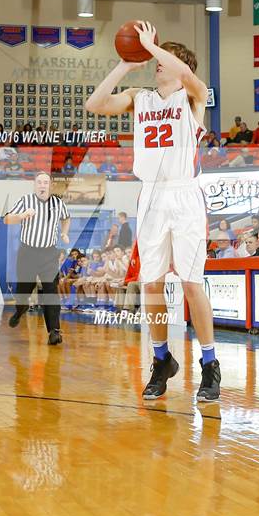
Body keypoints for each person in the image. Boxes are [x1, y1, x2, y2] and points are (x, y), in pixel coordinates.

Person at [86, 21, 221, 401]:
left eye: (167, 58)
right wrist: (126, 64)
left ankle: (210, 365)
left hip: (185, 195)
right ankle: (162, 359)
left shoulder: (193, 96)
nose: (157, 62)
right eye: (157, 57)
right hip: (150, 197)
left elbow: (189, 77)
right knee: (152, 284)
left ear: (182, 66)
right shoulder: (139, 97)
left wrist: (150, 44)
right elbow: (94, 105)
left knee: (193, 283)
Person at [3, 171, 70, 345]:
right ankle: (20, 310)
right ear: (35, 185)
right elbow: (6, 219)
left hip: (49, 254)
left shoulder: (58, 203)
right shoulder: (25, 201)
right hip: (28, 253)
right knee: (23, 290)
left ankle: (54, 331)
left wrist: (64, 232)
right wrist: (22, 216)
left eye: (45, 182)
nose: (42, 185)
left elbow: (66, 218)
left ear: (50, 185)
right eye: (39, 182)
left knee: (51, 292)